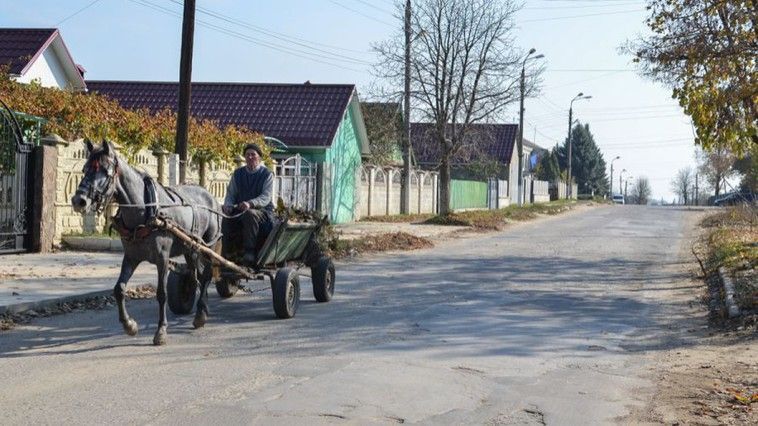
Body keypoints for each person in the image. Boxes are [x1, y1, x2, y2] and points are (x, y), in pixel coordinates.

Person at [222, 143, 275, 265]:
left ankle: (249, 252)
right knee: (223, 216)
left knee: (250, 214)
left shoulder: (267, 174)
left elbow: (265, 197)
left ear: (259, 157)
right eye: (247, 155)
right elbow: (231, 193)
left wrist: (251, 203)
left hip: (263, 212)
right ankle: (227, 250)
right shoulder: (238, 174)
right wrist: (228, 205)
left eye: (253, 154)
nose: (250, 157)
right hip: (240, 209)